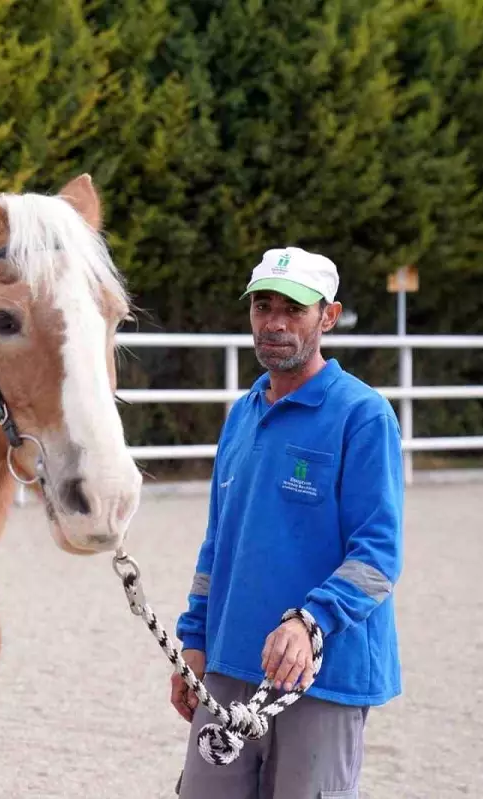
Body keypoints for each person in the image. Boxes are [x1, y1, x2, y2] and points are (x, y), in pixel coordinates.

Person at [171, 246, 404, 797]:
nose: (273, 323)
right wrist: (195, 640)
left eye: (293, 309)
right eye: (262, 306)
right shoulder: (242, 414)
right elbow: (217, 545)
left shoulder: (363, 415)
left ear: (328, 315)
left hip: (323, 678)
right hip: (229, 665)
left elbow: (377, 554)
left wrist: (310, 622)